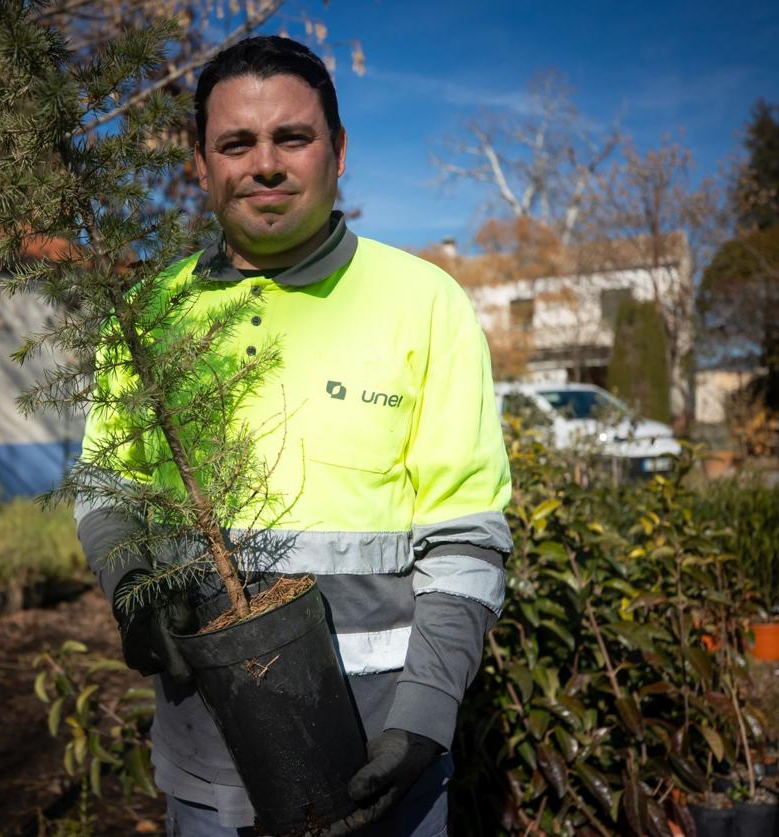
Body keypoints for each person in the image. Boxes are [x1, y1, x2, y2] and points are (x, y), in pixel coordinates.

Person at [74, 36, 512, 836]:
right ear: (199, 164)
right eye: (236, 142)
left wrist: (422, 719)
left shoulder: (423, 303)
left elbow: (469, 539)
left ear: (338, 152)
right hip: (209, 763)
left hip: (385, 766)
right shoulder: (143, 320)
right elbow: (107, 490)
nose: (264, 164)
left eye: (293, 138)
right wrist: (131, 583)